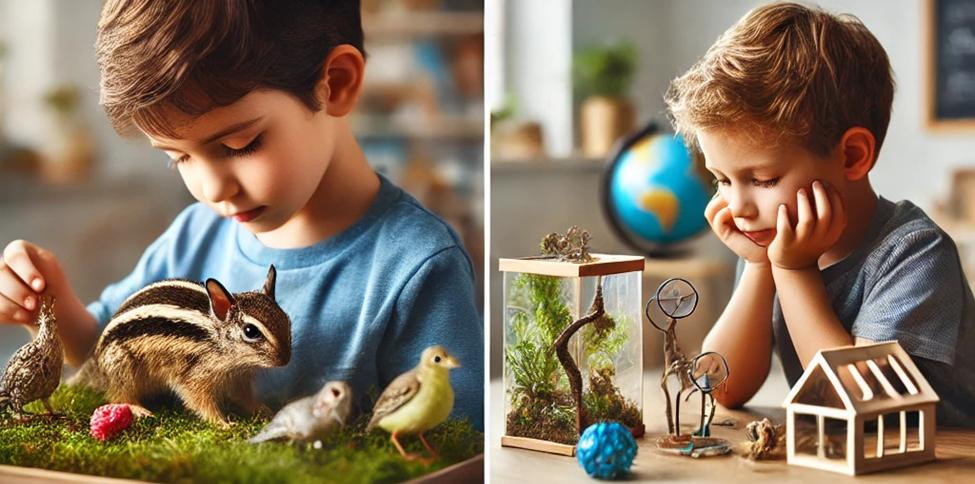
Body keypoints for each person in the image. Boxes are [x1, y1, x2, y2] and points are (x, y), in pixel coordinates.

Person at [0, 0, 483, 428]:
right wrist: (50, 299)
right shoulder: (194, 234)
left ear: (334, 84)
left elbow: (456, 443)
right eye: (178, 157)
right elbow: (98, 356)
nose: (212, 190)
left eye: (240, 144)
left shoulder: (418, 265)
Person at [666, 2, 974, 425]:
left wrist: (793, 272)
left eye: (762, 179)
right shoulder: (773, 245)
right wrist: (760, 268)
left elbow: (855, 405)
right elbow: (721, 387)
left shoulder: (915, 254)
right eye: (722, 179)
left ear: (851, 155)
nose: (737, 207)